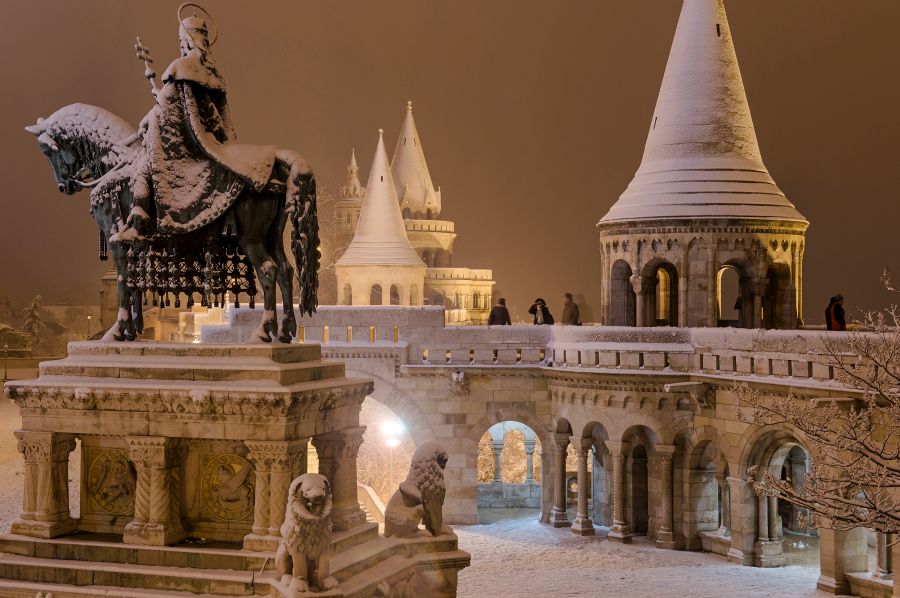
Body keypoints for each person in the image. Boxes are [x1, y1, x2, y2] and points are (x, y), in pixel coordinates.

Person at [121, 7, 279, 239]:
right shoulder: (213, 74)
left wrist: (147, 120)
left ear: (186, 39)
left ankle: (137, 220)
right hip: (212, 138)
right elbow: (222, 117)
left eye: (180, 40)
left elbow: (165, 111)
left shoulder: (180, 68)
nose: (180, 45)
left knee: (144, 166)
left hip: (187, 145)